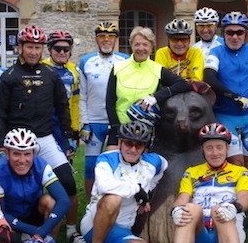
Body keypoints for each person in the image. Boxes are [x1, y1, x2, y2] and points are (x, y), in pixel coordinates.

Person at [0, 25, 86, 243]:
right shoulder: (9, 77)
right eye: (29, 47)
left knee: (68, 183)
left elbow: (61, 109)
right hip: (16, 142)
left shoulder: (50, 75)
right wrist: (0, 145)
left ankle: (71, 230)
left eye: (37, 47)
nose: (34, 52)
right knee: (6, 190)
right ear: (20, 48)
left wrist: (67, 140)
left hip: (44, 139)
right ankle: (9, 231)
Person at [167, 122, 248, 243]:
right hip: (198, 236)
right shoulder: (192, 172)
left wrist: (233, 207)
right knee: (190, 208)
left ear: (227, 148)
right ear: (202, 151)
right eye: (209, 148)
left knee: (220, 209)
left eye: (219, 147)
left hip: (228, 235)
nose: (215, 152)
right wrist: (176, 209)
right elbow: (183, 196)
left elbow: (245, 198)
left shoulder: (240, 172)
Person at [77, 121, 167, 243]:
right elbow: (106, 186)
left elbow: (162, 169)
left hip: (122, 229)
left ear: (145, 147)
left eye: (138, 145)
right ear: (120, 142)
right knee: (114, 199)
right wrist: (137, 190)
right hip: (95, 223)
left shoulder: (154, 162)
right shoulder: (107, 159)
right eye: (128, 144)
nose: (132, 149)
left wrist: (147, 194)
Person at [0, 128, 71, 243]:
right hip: (9, 218)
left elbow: (64, 200)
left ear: (34, 153)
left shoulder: (41, 165)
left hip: (33, 212)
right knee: (3, 229)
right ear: (7, 153)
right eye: (16, 154)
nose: (22, 160)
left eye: (27, 154)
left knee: (50, 201)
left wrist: (42, 232)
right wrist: (34, 231)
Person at [204, 11, 248, 170]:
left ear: (245, 34)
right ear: (224, 33)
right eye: (230, 32)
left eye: (239, 32)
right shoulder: (216, 52)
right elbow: (209, 77)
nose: (235, 37)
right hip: (226, 117)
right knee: (236, 163)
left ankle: (244, 194)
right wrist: (233, 96)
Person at [105, 26, 192, 148]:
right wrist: (116, 128)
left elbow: (184, 84)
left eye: (145, 45)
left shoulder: (158, 69)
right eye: (137, 44)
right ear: (131, 46)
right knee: (111, 162)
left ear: (151, 47)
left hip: (145, 131)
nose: (141, 48)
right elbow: (110, 102)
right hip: (119, 128)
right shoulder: (118, 67)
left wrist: (156, 97)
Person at [79, 22, 129, 197]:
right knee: (90, 167)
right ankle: (90, 206)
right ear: (96, 39)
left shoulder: (125, 60)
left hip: (117, 121)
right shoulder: (86, 61)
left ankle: (116, 203)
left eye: (110, 36)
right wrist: (85, 123)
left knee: (117, 166)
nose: (106, 40)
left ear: (116, 39)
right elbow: (82, 96)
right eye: (102, 36)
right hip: (94, 122)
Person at [41, 30, 81, 158]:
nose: (62, 53)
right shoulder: (41, 67)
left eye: (66, 49)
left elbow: (75, 101)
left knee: (66, 159)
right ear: (49, 49)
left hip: (64, 122)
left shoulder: (73, 70)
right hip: (44, 123)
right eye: (57, 49)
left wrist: (75, 128)